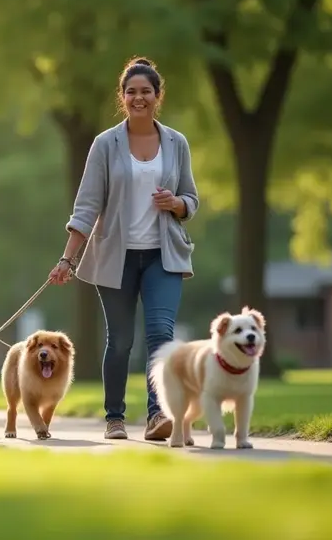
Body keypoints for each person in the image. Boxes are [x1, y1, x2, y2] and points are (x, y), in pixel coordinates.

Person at [49, 57, 199, 441]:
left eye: (146, 91)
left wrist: (176, 204)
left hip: (163, 255)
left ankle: (157, 415)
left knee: (160, 335)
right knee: (120, 342)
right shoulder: (105, 144)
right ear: (122, 97)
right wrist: (68, 258)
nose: (138, 98)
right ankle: (114, 416)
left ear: (157, 96)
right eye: (131, 91)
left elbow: (191, 200)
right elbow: (87, 205)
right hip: (115, 257)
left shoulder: (176, 143)